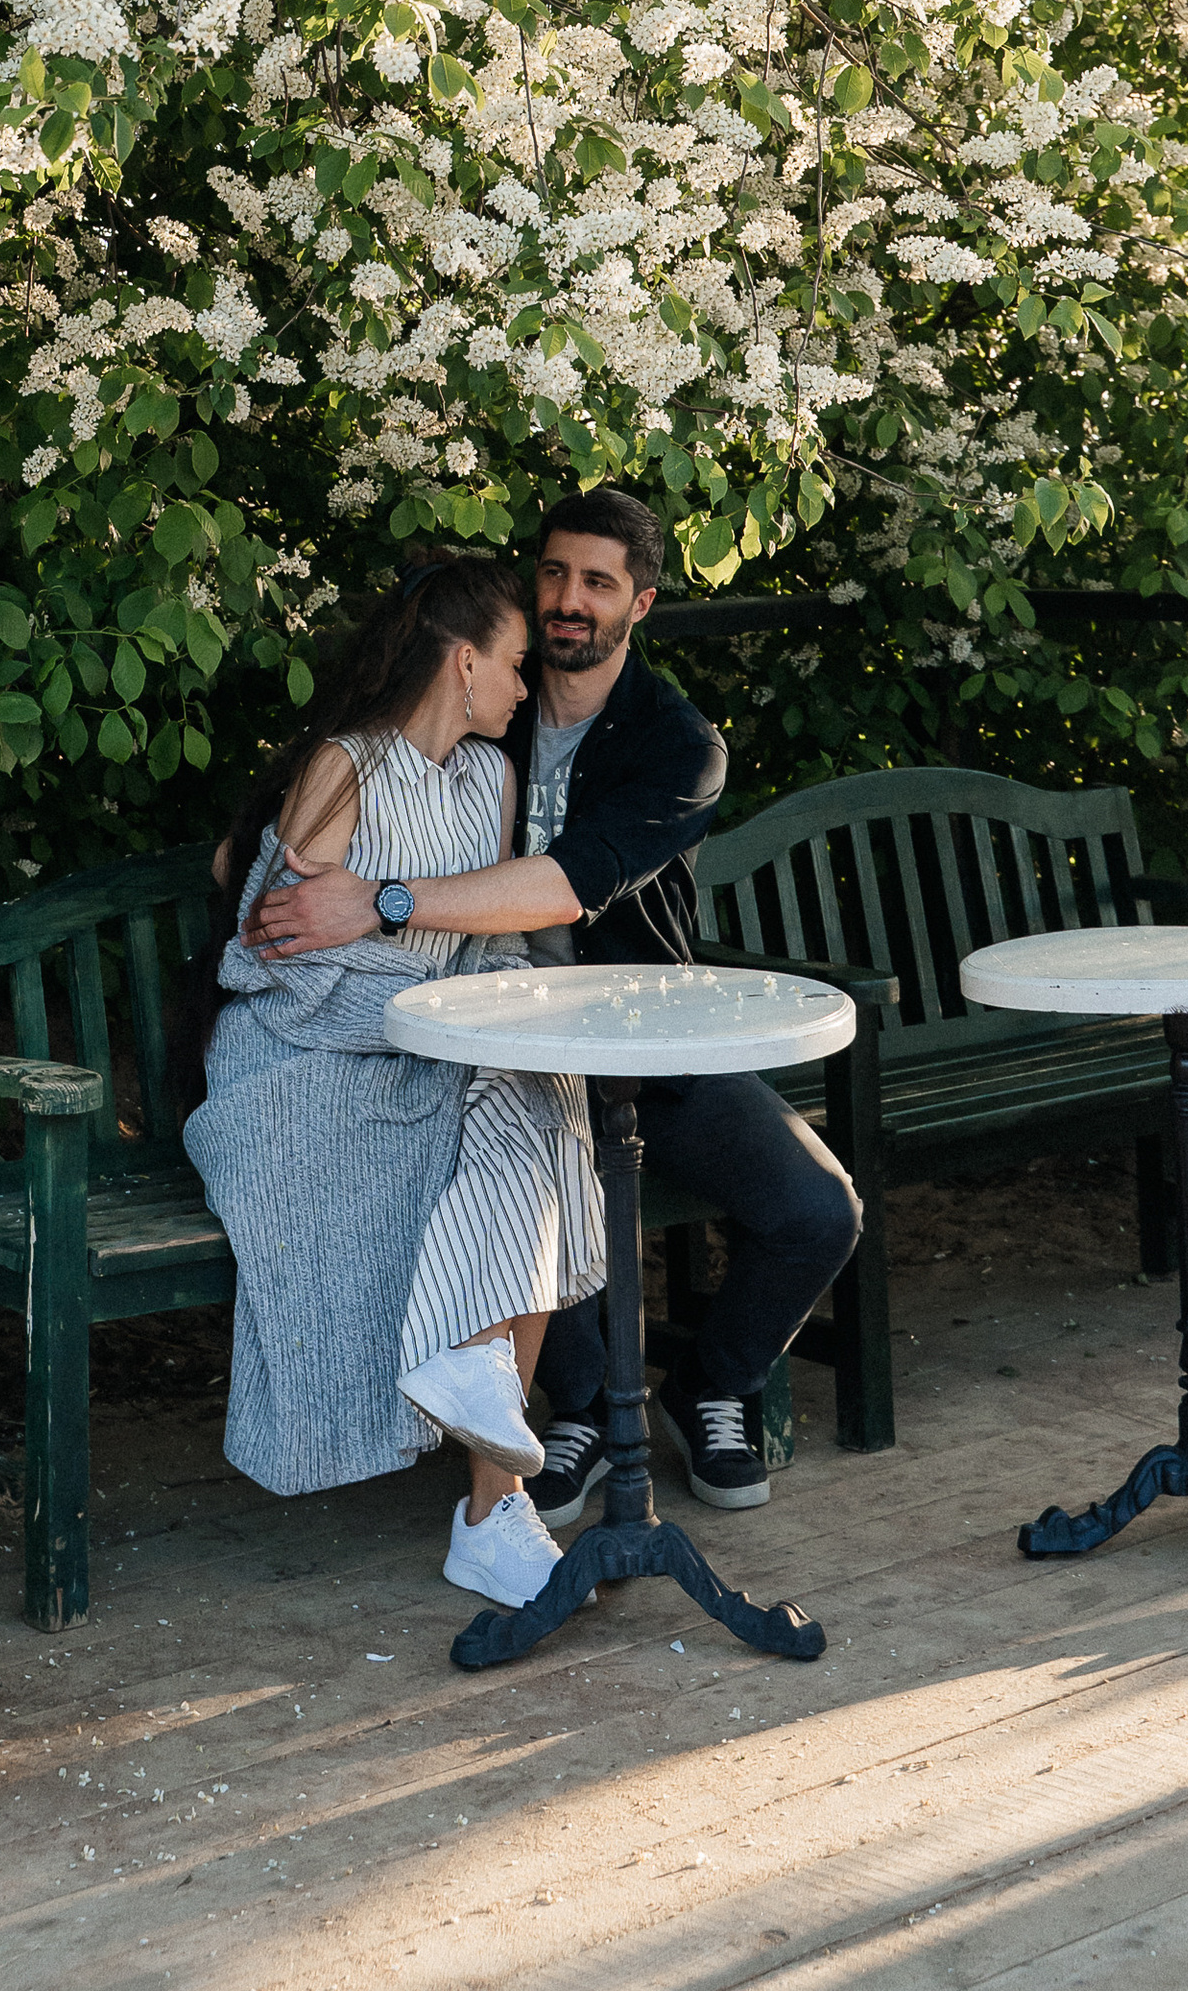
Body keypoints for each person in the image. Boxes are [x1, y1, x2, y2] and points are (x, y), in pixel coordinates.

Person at [246, 490, 862, 1519]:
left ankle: (708, 1387)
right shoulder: (495, 695)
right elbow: (359, 780)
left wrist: (382, 904)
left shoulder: (677, 743)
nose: (569, 601)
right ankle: (570, 1407)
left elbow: (570, 882)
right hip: (486, 1031)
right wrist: (277, 859)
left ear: (641, 603)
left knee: (816, 1210)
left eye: (597, 583)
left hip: (634, 1027)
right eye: (554, 575)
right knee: (530, 1180)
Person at [176, 555, 605, 1611]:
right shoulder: (345, 769)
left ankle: (480, 1436)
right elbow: (280, 962)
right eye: (511, 665)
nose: (524, 688)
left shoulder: (487, 778)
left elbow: (472, 947)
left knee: (545, 1098)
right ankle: (490, 1480)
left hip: (428, 1045)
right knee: (496, 1111)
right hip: (302, 1064)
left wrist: (485, 1009)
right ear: (463, 664)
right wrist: (433, 1020)